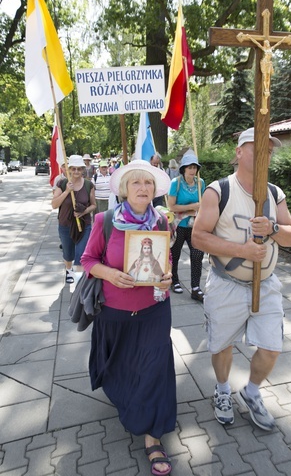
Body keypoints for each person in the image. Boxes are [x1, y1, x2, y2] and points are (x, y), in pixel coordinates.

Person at [191, 127, 291, 431]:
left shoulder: (275, 193)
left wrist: (273, 230)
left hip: (266, 286)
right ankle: (223, 390)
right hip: (226, 284)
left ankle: (251, 391)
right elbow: (198, 237)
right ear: (239, 152)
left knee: (272, 347)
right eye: (257, 147)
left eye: (270, 149)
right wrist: (242, 250)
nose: (266, 153)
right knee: (221, 345)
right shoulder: (218, 190)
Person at [81, 159, 175, 476]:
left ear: (154, 190)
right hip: (115, 312)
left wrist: (166, 277)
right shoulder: (105, 221)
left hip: (154, 311)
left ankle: (152, 436)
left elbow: (168, 261)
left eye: (148, 183)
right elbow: (88, 259)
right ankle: (126, 397)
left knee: (153, 368)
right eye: (136, 183)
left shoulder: (161, 221)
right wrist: (109, 273)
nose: (142, 188)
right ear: (124, 188)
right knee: (121, 367)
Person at [52, 155, 97, 284]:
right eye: (74, 169)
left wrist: (84, 211)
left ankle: (79, 282)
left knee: (81, 254)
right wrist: (67, 191)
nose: (76, 172)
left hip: (84, 225)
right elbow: (54, 204)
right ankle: (68, 269)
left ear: (83, 169)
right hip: (65, 224)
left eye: (79, 169)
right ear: (69, 169)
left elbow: (93, 205)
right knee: (68, 253)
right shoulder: (62, 183)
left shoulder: (89, 185)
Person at [167, 152, 205, 302]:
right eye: (189, 167)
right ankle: (174, 281)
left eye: (194, 167)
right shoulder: (175, 183)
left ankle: (195, 287)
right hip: (178, 225)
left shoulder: (201, 183)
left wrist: (196, 209)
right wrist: (193, 207)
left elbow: (203, 205)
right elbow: (171, 206)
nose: (192, 170)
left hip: (195, 225)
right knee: (174, 255)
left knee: (197, 255)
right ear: (183, 169)